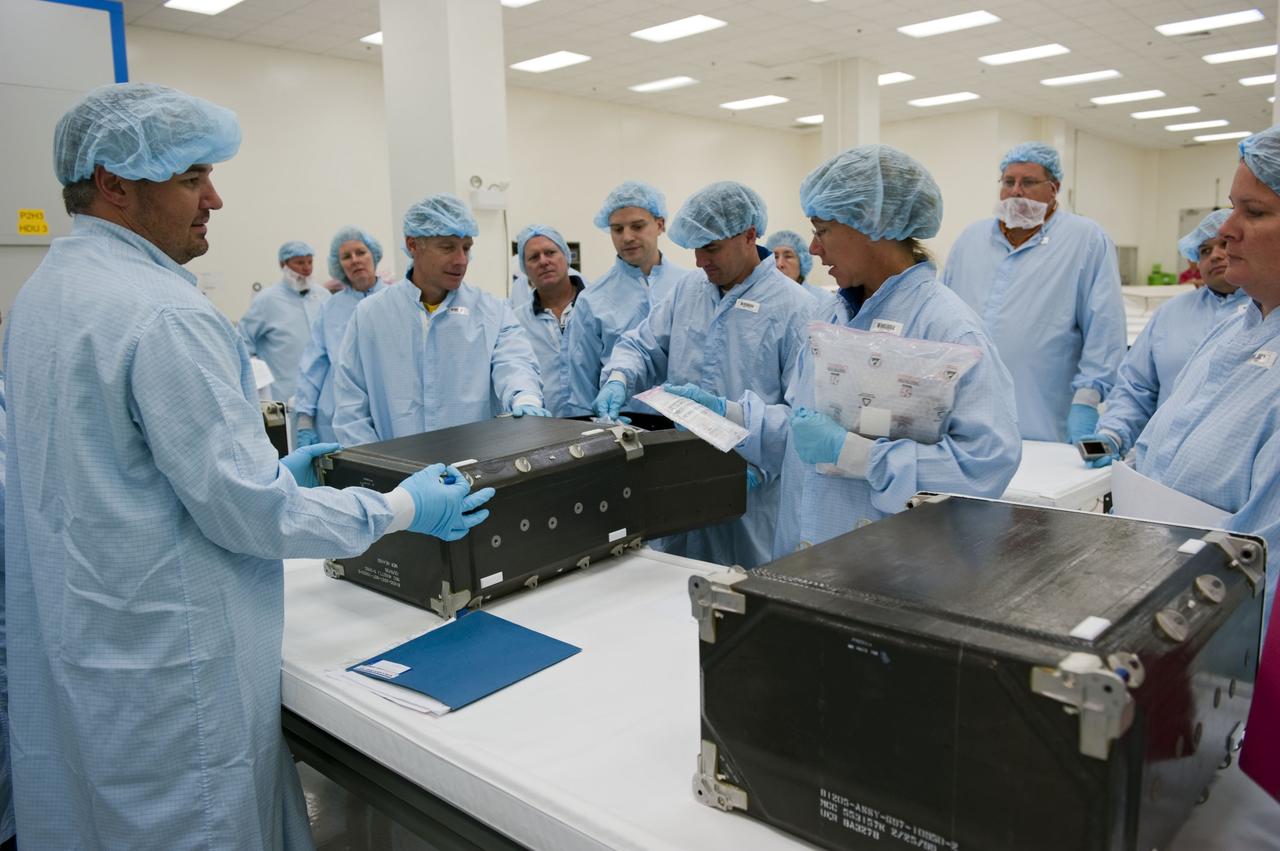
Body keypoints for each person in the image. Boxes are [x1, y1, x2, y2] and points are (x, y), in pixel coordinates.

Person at [2, 82, 495, 850]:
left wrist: (270, 473)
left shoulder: (45, 295)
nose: (215, 199)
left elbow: (100, 471)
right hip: (171, 669)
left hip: (90, 647)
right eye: (192, 178)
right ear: (114, 183)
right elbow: (248, 512)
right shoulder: (163, 312)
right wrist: (399, 507)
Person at [668, 146, 1021, 558]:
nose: (813, 249)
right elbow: (804, 434)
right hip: (804, 559)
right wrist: (728, 415)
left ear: (872, 224)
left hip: (887, 568)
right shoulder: (832, 316)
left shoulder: (947, 329)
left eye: (822, 231)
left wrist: (857, 456)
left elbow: (984, 465)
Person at [592, 181, 820, 568]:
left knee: (746, 589)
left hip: (754, 498)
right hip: (684, 479)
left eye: (711, 248)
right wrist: (619, 378)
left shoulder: (795, 307)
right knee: (675, 582)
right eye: (695, 248)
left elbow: (803, 419)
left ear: (749, 235)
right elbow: (642, 345)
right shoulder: (689, 290)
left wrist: (758, 468)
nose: (700, 261)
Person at [942, 142, 1126, 444]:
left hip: (1044, 413)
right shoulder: (971, 239)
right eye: (1008, 181)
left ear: (1054, 188)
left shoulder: (1085, 239)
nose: (1016, 191)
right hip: (967, 411)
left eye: (1028, 182)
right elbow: (944, 313)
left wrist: (1088, 398)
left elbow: (1104, 327)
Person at [332, 193, 546, 445]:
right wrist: (375, 463)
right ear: (412, 245)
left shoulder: (492, 311)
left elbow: (515, 363)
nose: (461, 260)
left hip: (474, 462)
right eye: (447, 247)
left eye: (466, 248)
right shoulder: (371, 315)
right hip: (395, 465)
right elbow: (351, 406)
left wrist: (525, 399)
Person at [1083, 209, 1249, 466]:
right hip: (1162, 465)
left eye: (1225, 244)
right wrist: (1113, 434)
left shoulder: (1266, 313)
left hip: (1234, 467)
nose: (1215, 255)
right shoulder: (1171, 313)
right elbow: (1136, 388)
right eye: (1204, 250)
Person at [563, 181, 695, 415]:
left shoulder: (691, 286)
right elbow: (581, 383)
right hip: (622, 422)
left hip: (687, 418)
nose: (627, 237)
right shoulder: (592, 300)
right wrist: (592, 424)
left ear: (660, 225)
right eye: (617, 229)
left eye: (637, 226)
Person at [294, 226, 387, 446]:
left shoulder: (394, 300)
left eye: (360, 252)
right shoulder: (330, 308)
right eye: (346, 256)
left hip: (386, 409)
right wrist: (305, 418)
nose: (355, 260)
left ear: (373, 255)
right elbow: (314, 364)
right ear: (339, 265)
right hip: (336, 415)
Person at [238, 239, 329, 402]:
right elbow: (243, 342)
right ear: (283, 265)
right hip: (282, 395)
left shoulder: (323, 296)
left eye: (310, 262)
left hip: (321, 392)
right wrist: (258, 383)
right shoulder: (267, 300)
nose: (306, 268)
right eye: (300, 262)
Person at [511, 224, 587, 417]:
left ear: (566, 256)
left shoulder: (597, 306)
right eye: (533, 257)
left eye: (550, 252)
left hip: (601, 421)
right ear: (524, 268)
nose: (543, 261)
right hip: (546, 424)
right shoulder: (516, 321)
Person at [766, 229, 829, 302]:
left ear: (802, 262)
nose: (779, 264)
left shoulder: (823, 300)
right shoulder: (762, 298)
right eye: (775, 257)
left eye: (788, 256)